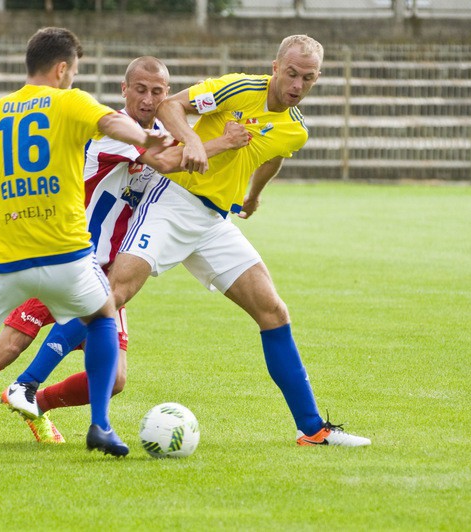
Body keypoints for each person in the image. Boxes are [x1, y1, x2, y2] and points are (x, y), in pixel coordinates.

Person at [0, 56, 251, 450]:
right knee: (9, 347)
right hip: (66, 255)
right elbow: (169, 162)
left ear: (166, 94)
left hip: (108, 272)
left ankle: (38, 403)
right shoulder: (117, 132)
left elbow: (182, 171)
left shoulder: (160, 134)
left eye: (157, 92)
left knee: (115, 380)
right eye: (140, 89)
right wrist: (225, 142)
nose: (148, 99)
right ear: (124, 89)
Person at [103, 34, 371, 446]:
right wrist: (193, 140)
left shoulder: (295, 130)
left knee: (273, 311)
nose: (298, 85)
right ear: (277, 67)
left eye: (309, 78)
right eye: (293, 74)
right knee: (114, 292)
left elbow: (274, 153)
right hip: (172, 200)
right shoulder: (242, 88)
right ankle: (30, 387)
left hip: (213, 221)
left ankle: (313, 429)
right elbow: (171, 104)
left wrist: (255, 194)